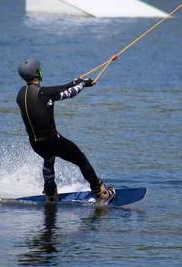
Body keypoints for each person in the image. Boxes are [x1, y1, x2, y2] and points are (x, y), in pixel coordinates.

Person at [16, 58, 115, 205]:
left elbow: (60, 90)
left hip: (36, 143)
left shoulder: (20, 94)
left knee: (48, 159)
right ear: (38, 72)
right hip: (52, 140)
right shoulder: (44, 93)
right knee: (81, 159)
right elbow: (68, 93)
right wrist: (83, 84)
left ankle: (50, 194)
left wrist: (76, 82)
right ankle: (101, 192)